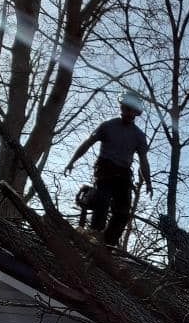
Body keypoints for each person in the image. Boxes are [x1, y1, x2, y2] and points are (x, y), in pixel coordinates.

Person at [64, 90, 152, 246]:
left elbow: (143, 161)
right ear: (122, 107)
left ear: (136, 112)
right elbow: (88, 142)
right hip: (105, 169)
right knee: (102, 202)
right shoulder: (108, 126)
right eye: (125, 108)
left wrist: (148, 181)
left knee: (123, 212)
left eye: (131, 109)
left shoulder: (139, 136)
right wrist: (72, 161)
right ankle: (94, 232)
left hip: (123, 173)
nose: (127, 112)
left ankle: (108, 244)